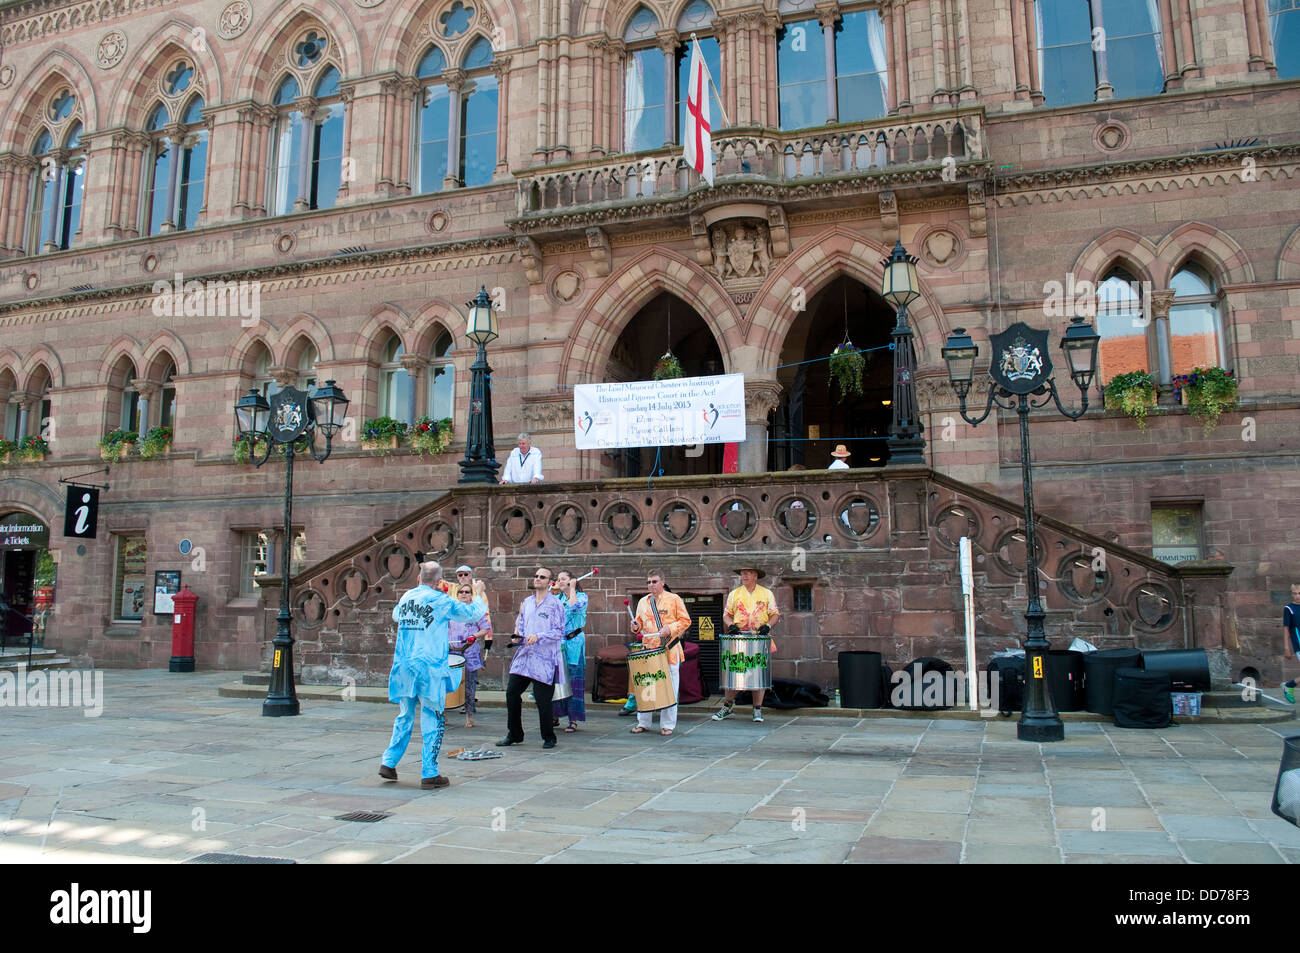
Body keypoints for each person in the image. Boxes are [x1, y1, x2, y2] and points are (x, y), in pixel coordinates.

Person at [379, 561, 487, 789]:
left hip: (405, 664)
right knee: (433, 716)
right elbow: (472, 613)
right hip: (429, 667)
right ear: (439, 582)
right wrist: (477, 592)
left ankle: (389, 761)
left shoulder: (407, 596)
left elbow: (397, 615)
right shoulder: (441, 600)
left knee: (404, 714)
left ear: (418, 578)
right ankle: (429, 772)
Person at [500, 566, 564, 749]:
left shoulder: (555, 604)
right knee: (512, 693)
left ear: (549, 582)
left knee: (542, 699)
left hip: (544, 659)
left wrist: (540, 636)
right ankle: (514, 733)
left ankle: (549, 737)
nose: (537, 579)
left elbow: (559, 631)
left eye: (542, 577)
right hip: (524, 656)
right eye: (536, 576)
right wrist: (516, 636)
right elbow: (519, 624)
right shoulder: (527, 602)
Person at [714, 565, 780, 723]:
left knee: (758, 673)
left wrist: (768, 626)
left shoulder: (766, 593)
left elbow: (775, 614)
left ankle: (757, 709)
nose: (744, 576)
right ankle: (728, 706)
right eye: (743, 573)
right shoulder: (734, 594)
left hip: (759, 637)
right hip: (739, 638)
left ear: (755, 576)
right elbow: (727, 614)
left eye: (748, 573)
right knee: (734, 671)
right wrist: (731, 625)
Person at [630, 570, 691, 736]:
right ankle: (643, 722)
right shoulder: (643, 602)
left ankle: (668, 725)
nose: (651, 585)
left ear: (663, 582)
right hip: (648, 650)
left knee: (670, 687)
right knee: (647, 685)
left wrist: (670, 629)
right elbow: (639, 625)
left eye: (654, 581)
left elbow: (686, 621)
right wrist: (635, 626)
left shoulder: (674, 599)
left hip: (669, 649)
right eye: (648, 582)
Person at [448, 579, 492, 728]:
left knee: (469, 685)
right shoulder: (451, 612)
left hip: (469, 652)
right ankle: (444, 713)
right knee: (448, 684)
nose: (464, 594)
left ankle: (469, 716)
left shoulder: (475, 611)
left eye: (467, 592)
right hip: (452, 651)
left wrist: (475, 636)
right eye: (461, 592)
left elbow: (485, 628)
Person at [551, 570, 588, 732]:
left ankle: (573, 719)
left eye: (563, 579)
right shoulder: (556, 599)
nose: (559, 581)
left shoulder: (581, 597)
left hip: (574, 642)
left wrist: (572, 588)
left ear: (571, 581)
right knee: (557, 680)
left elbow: (573, 608)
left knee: (573, 680)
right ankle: (555, 715)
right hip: (558, 644)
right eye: (558, 579)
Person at [1284, 583, 1300, 703]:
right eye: (1295, 593)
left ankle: (1289, 685)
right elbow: (1286, 629)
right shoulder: (1289, 608)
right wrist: (1287, 648)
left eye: (1299, 593)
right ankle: (1289, 685)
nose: (1297, 596)